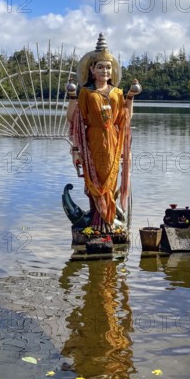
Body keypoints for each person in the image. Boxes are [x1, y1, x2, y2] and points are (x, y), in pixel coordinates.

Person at [66, 33, 141, 233]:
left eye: (108, 67)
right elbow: (74, 119)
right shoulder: (86, 93)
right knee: (94, 178)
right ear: (91, 69)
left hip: (113, 142)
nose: (105, 70)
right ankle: (96, 223)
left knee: (110, 178)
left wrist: (131, 97)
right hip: (93, 140)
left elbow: (125, 118)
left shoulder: (117, 93)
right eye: (100, 66)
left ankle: (108, 221)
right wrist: (75, 149)